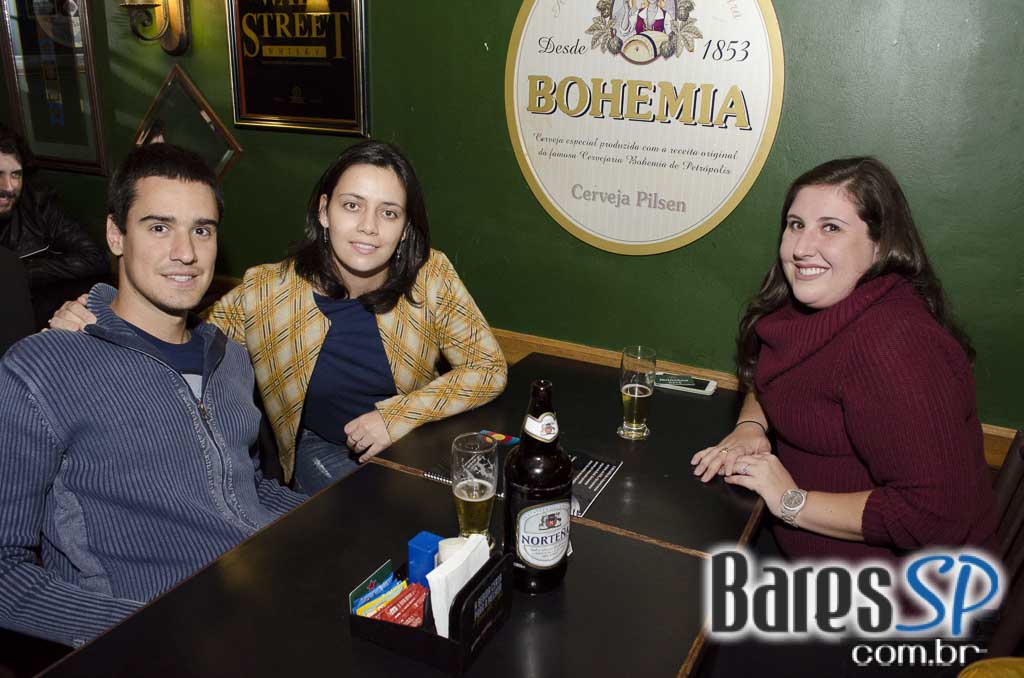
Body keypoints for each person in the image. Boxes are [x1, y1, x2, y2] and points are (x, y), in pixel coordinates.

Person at [52, 140, 508, 494]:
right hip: (325, 450)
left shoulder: (431, 275)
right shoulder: (268, 292)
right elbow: (178, 327)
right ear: (324, 211)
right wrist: (96, 311)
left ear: (405, 227)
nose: (369, 226)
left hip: (417, 440)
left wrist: (397, 416)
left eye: (388, 213)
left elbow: (488, 368)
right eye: (352, 206)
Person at [0, 144, 304, 647]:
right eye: (159, 227)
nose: (185, 252)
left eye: (202, 230)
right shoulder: (42, 368)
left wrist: (335, 515)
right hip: (157, 639)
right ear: (115, 235)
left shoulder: (229, 358)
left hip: (268, 596)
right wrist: (140, 632)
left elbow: (241, 486)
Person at [690, 156, 997, 563]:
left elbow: (936, 515)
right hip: (799, 548)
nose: (801, 248)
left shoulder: (895, 343)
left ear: (881, 245)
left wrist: (791, 501)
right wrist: (751, 425)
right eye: (796, 225)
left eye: (831, 228)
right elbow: (775, 370)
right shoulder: (807, 305)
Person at [0, 124, 109, 327]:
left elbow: (94, 257)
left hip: (42, 324)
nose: (8, 187)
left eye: (15, 174)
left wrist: (18, 272)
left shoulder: (37, 204)